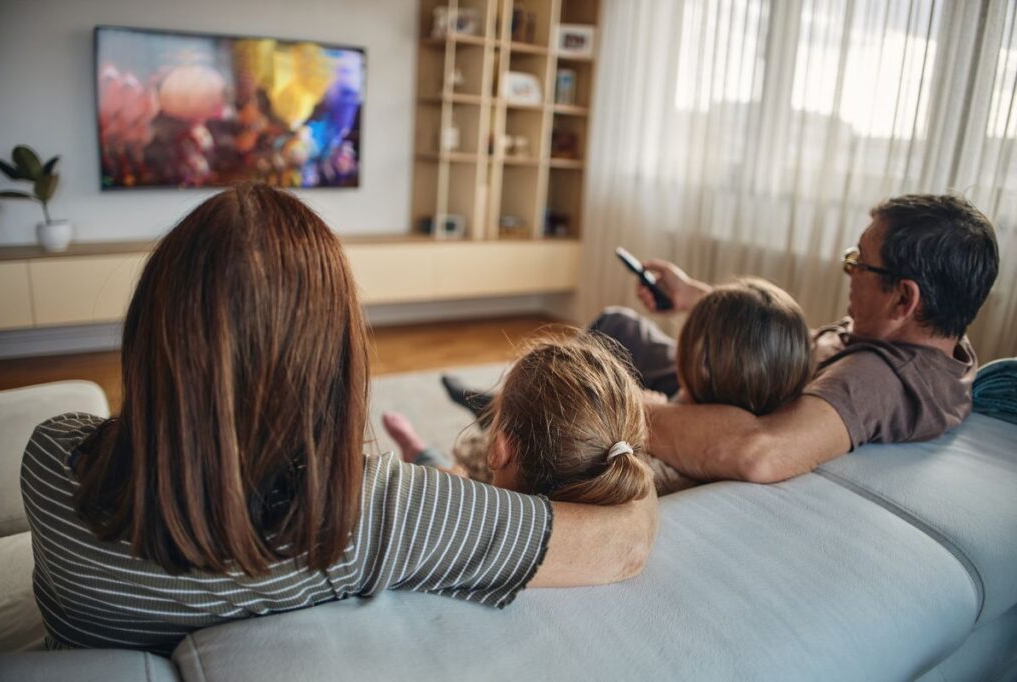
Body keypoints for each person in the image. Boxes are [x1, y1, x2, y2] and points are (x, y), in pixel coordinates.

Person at [19, 184, 657, 656]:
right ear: (333, 363)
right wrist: (634, 435)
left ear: (151, 331)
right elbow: (624, 544)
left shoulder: (50, 462)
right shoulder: (366, 511)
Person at [611, 193, 999, 483]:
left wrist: (623, 406)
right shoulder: (932, 341)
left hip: (731, 387)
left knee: (613, 334)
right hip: (747, 369)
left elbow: (759, 453)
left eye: (860, 263)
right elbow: (794, 342)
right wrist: (697, 298)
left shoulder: (876, 381)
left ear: (903, 298)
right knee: (621, 325)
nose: (850, 271)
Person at [438, 279, 814, 494]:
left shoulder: (647, 441)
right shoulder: (779, 391)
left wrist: (641, 407)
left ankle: (508, 413)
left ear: (698, 360)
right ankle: (501, 408)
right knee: (617, 323)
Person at [384, 332, 655, 503]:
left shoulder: (465, 510)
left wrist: (451, 480)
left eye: (496, 413)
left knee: (438, 471)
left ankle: (416, 449)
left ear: (498, 450)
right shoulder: (626, 509)